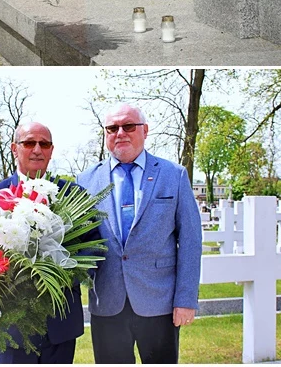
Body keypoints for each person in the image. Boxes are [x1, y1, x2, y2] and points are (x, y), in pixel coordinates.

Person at [77, 104, 202, 363]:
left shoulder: (173, 175)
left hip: (159, 302)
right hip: (107, 302)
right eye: (112, 128)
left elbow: (190, 240)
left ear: (145, 130)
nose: (120, 132)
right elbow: (81, 241)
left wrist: (186, 299)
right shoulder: (86, 181)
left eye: (128, 126)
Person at [0, 122, 87, 364]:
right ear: (14, 148)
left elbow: (92, 247)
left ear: (51, 150)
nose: (37, 149)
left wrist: (57, 275)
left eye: (44, 144)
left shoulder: (74, 196)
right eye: (29, 142)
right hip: (9, 325)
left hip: (60, 324)